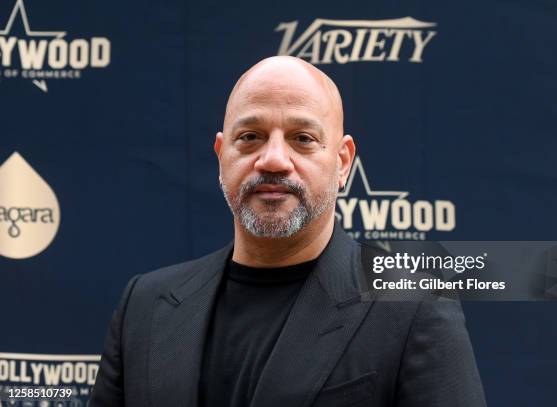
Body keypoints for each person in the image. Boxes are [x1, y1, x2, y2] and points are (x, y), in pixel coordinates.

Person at [90, 56, 487, 407]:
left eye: (302, 139)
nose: (275, 160)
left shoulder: (412, 307)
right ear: (221, 154)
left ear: (343, 161)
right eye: (250, 137)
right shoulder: (144, 305)